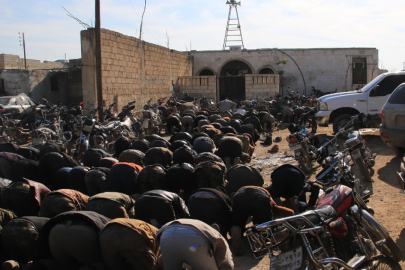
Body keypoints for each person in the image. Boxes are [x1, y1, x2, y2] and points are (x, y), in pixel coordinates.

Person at [230, 185, 294, 256]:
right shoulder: (266, 193)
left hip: (240, 197)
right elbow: (275, 208)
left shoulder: (240, 190)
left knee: (238, 220)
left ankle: (237, 229)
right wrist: (291, 213)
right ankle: (259, 237)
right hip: (261, 199)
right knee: (264, 225)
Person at [157, 219, 234, 270]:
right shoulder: (216, 234)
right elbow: (227, 265)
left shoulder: (203, 226)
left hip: (167, 235)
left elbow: (159, 237)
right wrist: (216, 265)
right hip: (194, 239)